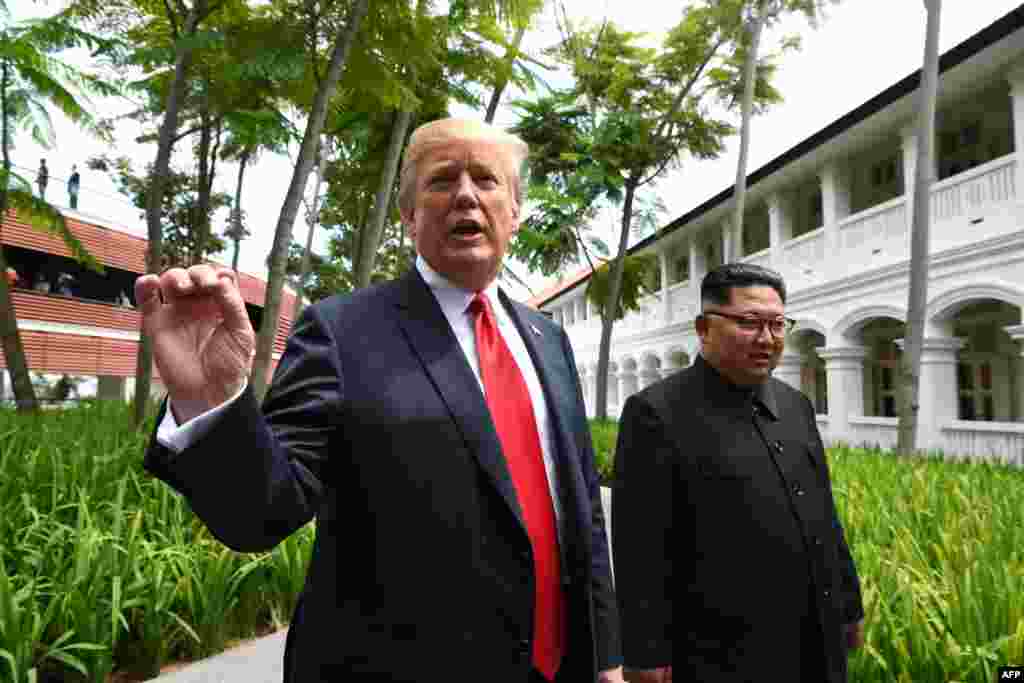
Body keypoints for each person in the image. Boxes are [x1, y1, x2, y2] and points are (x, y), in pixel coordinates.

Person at [136, 118, 623, 683]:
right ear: (409, 215)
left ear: (514, 210)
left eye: (486, 180)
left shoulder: (548, 339)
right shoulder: (341, 332)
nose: (466, 193)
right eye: (442, 180)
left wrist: (605, 654)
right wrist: (210, 399)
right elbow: (262, 513)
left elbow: (582, 509)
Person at [611, 263, 865, 683]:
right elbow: (640, 545)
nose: (767, 338)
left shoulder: (796, 406)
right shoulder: (656, 413)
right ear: (704, 327)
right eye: (749, 323)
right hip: (720, 651)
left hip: (816, 637)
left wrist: (848, 604)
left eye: (777, 324)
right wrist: (645, 653)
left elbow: (823, 513)